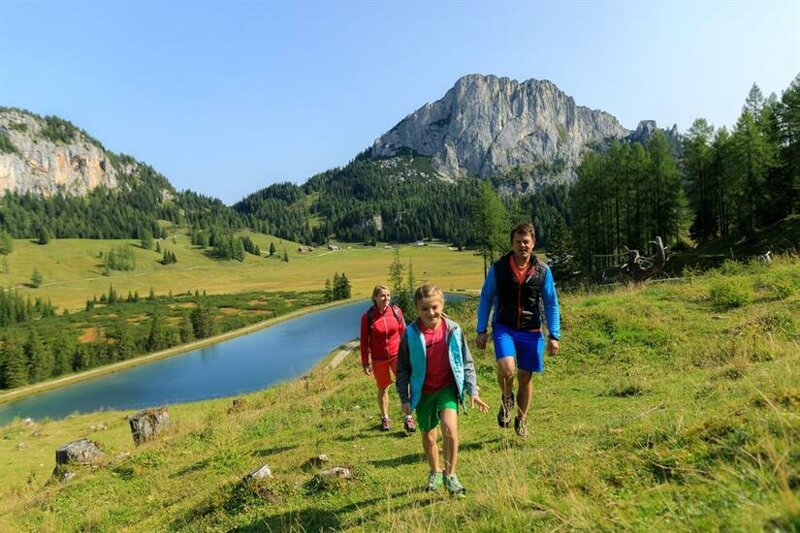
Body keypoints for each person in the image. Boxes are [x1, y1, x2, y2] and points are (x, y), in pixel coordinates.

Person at [397, 284, 489, 496]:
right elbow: (402, 368)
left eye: (434, 307)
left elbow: (466, 362)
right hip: (424, 393)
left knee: (450, 430)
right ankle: (435, 471)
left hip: (447, 389)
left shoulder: (453, 330)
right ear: (416, 309)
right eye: (424, 309)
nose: (431, 313)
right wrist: (404, 397)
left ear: (442, 304)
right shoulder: (410, 334)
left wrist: (472, 391)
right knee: (429, 437)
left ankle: (450, 475)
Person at [475, 222, 560, 438]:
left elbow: (551, 302)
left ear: (533, 243)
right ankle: (506, 398)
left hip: (531, 330)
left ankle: (521, 420)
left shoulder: (543, 271)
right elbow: (486, 298)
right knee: (506, 369)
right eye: (518, 242)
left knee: (525, 377)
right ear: (512, 244)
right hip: (504, 326)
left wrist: (554, 335)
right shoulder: (499, 268)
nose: (522, 245)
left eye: (526, 242)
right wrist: (481, 329)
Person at [360, 285, 415, 433]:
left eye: (388, 295)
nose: (386, 299)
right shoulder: (368, 317)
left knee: (404, 384)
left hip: (398, 356)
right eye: (383, 296)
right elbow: (364, 342)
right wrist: (365, 363)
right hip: (379, 359)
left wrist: (409, 352)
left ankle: (409, 417)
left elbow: (404, 333)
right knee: (383, 388)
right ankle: (385, 418)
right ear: (375, 298)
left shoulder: (396, 312)